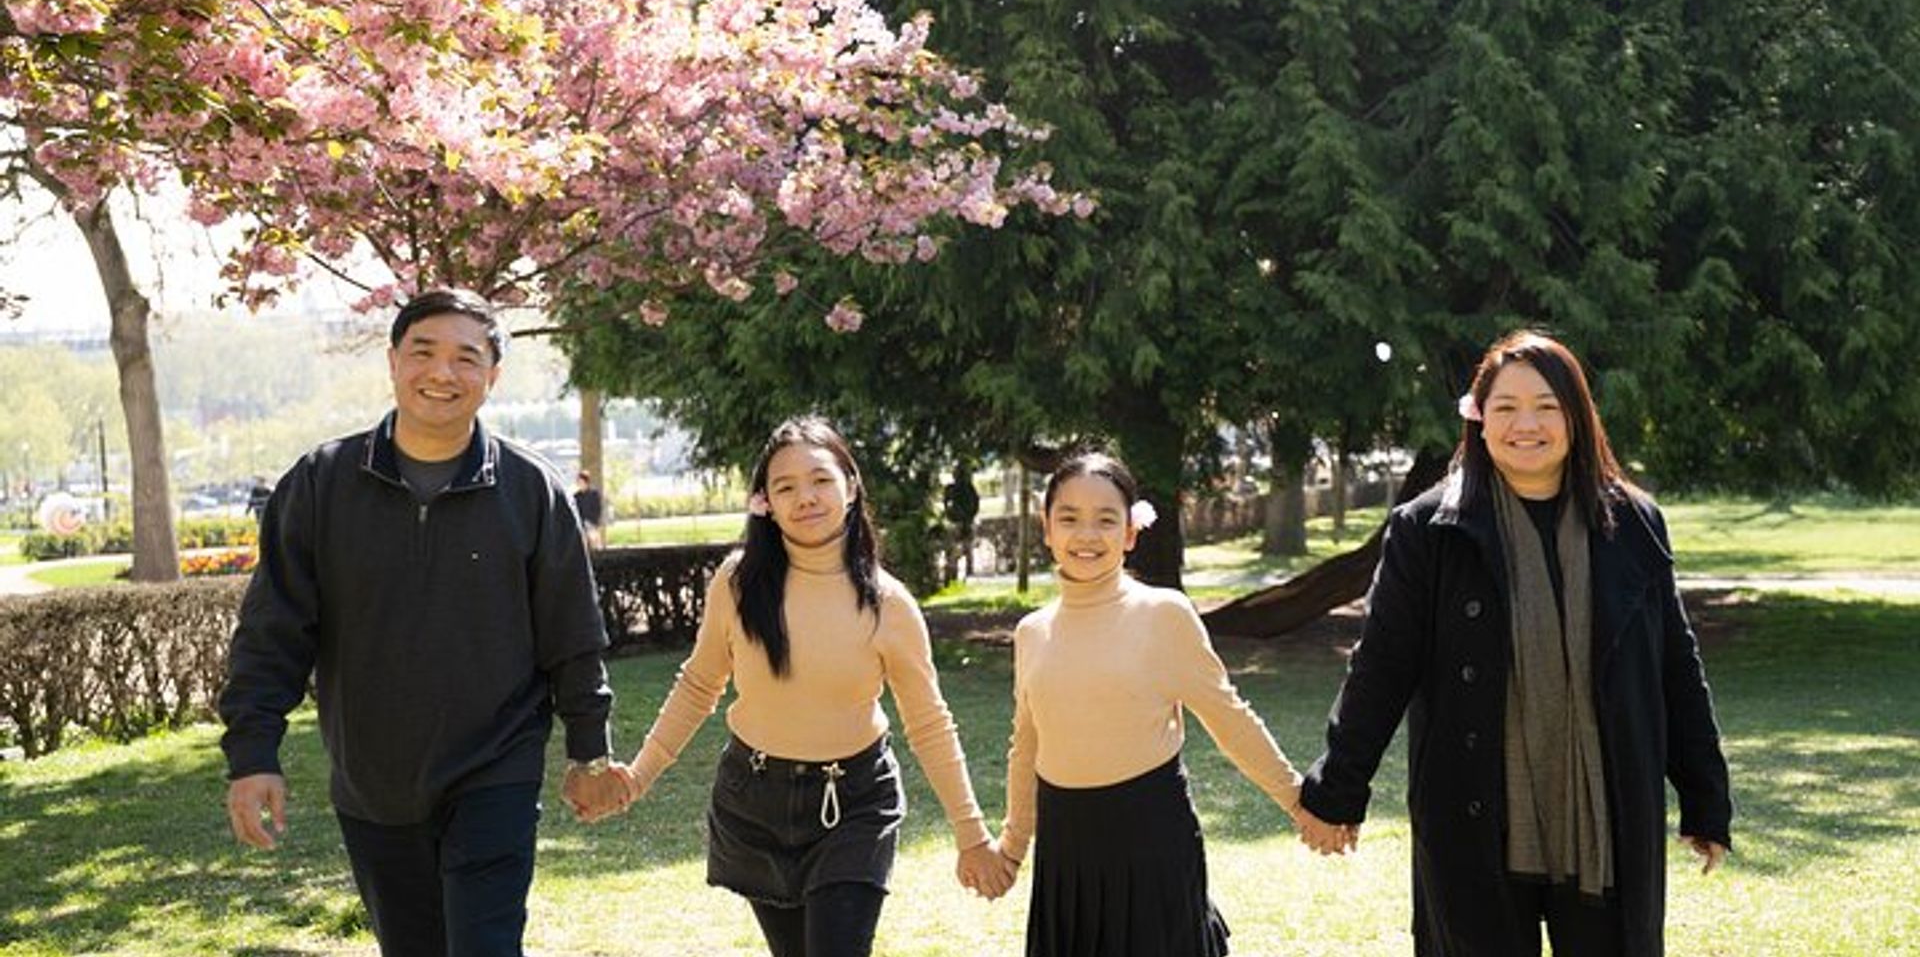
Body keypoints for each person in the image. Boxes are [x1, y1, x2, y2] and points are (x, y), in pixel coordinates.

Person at [218, 289, 634, 957]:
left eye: (466, 358)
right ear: (392, 361)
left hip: (497, 765)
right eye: (424, 352)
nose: (443, 373)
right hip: (372, 779)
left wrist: (588, 748)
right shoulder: (322, 483)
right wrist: (252, 754)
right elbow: (274, 630)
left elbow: (573, 634)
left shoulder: (531, 489)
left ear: (492, 377)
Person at [1294, 329, 1733, 956]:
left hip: (1606, 815)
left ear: (1576, 417)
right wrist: (1337, 790)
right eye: (1504, 407)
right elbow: (1382, 666)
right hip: (1474, 812)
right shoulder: (1428, 528)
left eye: (1546, 406)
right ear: (1479, 420)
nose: (1525, 424)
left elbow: (1674, 666)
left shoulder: (1633, 522)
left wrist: (1705, 796)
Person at [618, 416, 1009, 957]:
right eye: (786, 486)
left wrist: (970, 833)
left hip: (854, 803)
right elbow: (698, 685)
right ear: (765, 503)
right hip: (754, 800)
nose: (806, 497)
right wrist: (638, 776)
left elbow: (929, 723)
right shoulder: (737, 584)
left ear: (850, 487)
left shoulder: (888, 603)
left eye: (821, 480)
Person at [991, 451, 1335, 957]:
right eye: (1069, 518)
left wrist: (1298, 801)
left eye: (1106, 520)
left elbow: (1228, 716)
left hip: (1152, 840)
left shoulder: (1163, 614)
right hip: (1067, 849)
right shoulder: (1032, 632)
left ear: (1130, 533)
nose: (1086, 535)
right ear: (1045, 528)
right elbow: (1028, 747)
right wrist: (1013, 848)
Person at [575, 470, 606, 550]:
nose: (578, 483)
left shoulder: (594, 494)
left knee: (596, 545)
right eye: (578, 481)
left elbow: (597, 509)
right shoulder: (576, 496)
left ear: (586, 482)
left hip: (592, 524)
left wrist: (593, 522)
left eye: (580, 481)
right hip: (581, 525)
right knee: (582, 546)